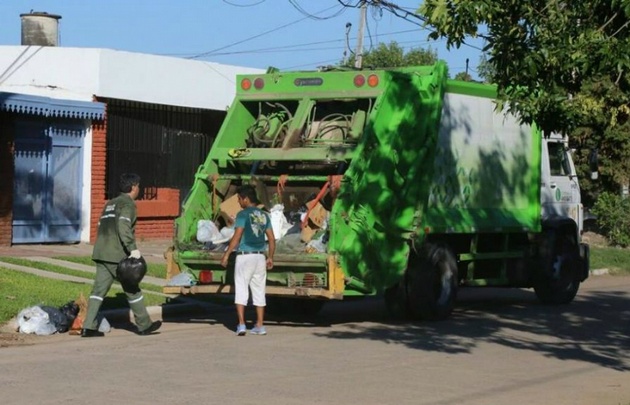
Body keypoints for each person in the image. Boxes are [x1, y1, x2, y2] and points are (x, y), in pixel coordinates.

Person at [81, 173, 162, 337]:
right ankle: (144, 325)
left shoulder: (110, 204)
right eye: (138, 186)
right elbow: (123, 225)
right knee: (132, 289)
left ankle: (88, 327)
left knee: (98, 291)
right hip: (116, 254)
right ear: (133, 187)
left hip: (101, 251)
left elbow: (100, 225)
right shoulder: (128, 204)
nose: (138, 188)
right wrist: (132, 248)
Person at [221, 185, 275, 336]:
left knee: (241, 291)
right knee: (259, 292)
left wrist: (226, 254)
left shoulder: (243, 214)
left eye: (239, 199)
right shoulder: (264, 215)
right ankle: (259, 325)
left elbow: (237, 236)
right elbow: (271, 238)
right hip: (260, 257)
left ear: (245, 199)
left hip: (245, 256)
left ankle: (242, 324)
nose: (238, 202)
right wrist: (270, 257)